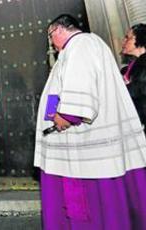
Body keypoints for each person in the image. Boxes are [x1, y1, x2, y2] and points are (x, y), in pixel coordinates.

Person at [34, 14, 146, 229]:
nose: (51, 43)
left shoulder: (81, 44)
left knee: (89, 207)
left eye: (50, 36)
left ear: (57, 30)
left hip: (84, 147)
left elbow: (81, 85)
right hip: (79, 143)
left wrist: (66, 116)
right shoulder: (73, 49)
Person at [121, 23, 146, 128]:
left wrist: (124, 87)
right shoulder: (126, 69)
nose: (123, 41)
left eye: (127, 38)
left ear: (139, 39)